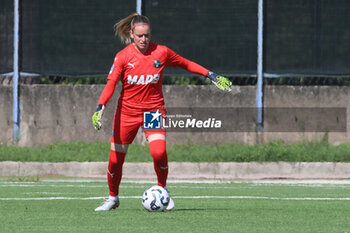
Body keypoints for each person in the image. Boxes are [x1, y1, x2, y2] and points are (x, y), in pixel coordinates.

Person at [92, 13, 231, 212]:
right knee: (115, 160)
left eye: (146, 35)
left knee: (159, 152)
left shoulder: (161, 52)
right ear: (131, 34)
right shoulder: (123, 56)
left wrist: (211, 74)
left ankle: (163, 191)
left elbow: (186, 63)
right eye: (139, 35)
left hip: (153, 110)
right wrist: (100, 106)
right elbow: (111, 84)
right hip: (127, 113)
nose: (143, 39)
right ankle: (113, 198)